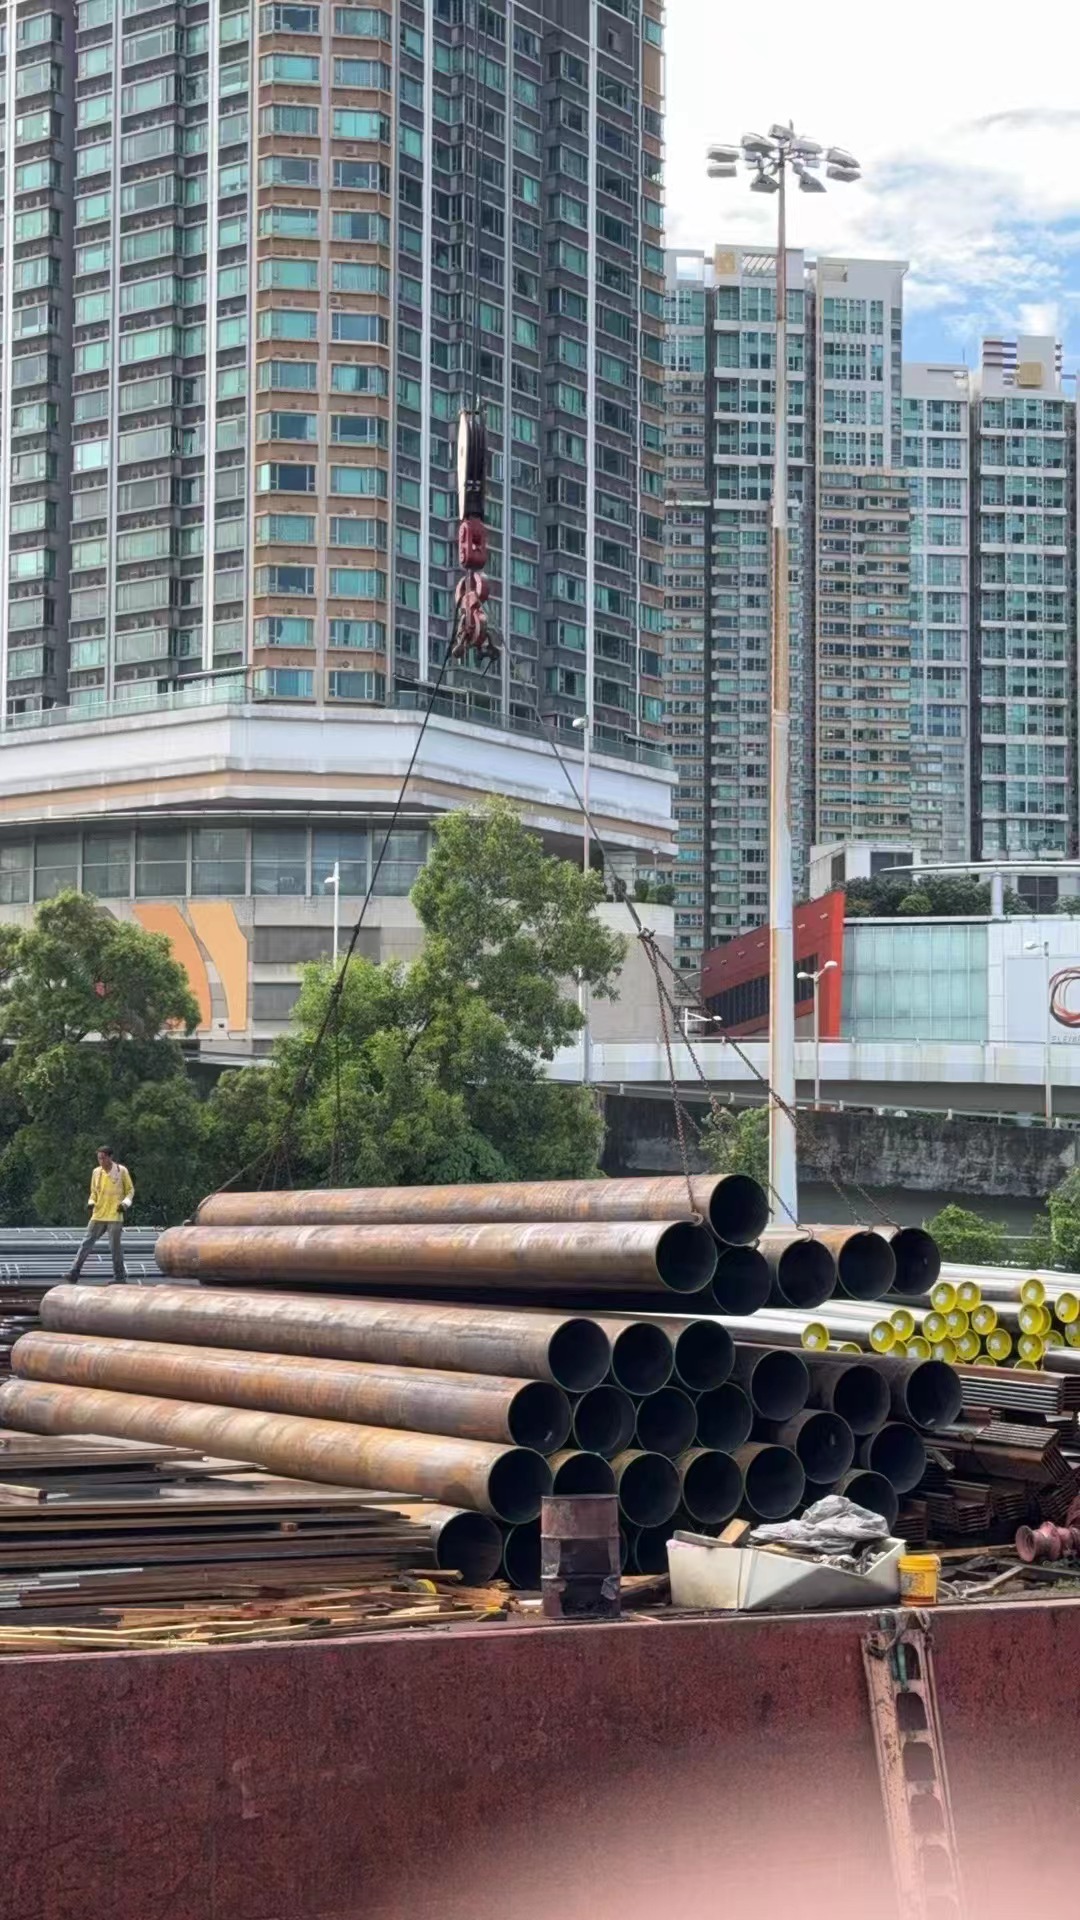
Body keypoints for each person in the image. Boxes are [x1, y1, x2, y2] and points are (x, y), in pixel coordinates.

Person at [65, 1147, 134, 1284]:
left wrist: (125, 1204)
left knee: (115, 1247)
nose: (101, 1161)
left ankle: (120, 1277)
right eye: (99, 1158)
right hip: (98, 1214)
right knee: (86, 1243)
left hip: (114, 1215)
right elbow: (94, 1192)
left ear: (110, 1157)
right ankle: (74, 1272)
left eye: (103, 1158)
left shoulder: (121, 1171)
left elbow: (130, 1190)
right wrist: (91, 1202)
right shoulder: (96, 1172)